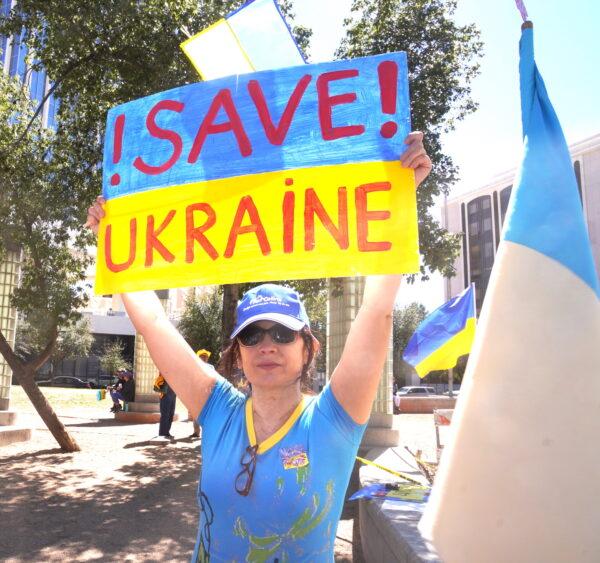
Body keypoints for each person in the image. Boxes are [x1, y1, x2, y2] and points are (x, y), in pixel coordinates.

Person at [86, 132, 431, 561]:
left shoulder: (335, 418)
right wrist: (112, 240)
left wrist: (400, 200)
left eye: (283, 333)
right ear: (238, 352)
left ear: (308, 348)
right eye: (253, 334)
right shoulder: (218, 409)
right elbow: (155, 325)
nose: (267, 344)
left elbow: (376, 311)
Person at [189, 349, 212, 438]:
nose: (203, 358)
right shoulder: (195, 367)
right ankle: (196, 432)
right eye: (202, 357)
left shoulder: (211, 367)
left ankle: (206, 432)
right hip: (197, 393)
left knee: (207, 413)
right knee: (196, 413)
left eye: (205, 357)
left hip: (207, 394)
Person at [154, 373, 177, 440]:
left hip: (173, 395)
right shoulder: (165, 370)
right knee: (165, 414)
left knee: (171, 414)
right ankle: (162, 433)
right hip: (165, 395)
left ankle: (167, 432)